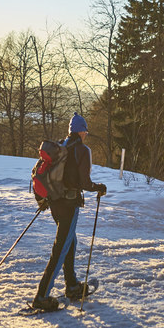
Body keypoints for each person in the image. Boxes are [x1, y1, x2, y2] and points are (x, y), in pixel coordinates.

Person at [32, 113, 107, 311]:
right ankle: (41, 296)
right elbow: (84, 182)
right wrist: (98, 187)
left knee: (69, 241)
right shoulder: (82, 150)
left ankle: (72, 285)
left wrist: (42, 198)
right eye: (85, 132)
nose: (85, 135)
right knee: (61, 248)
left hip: (55, 203)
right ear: (82, 131)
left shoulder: (60, 147)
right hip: (69, 204)